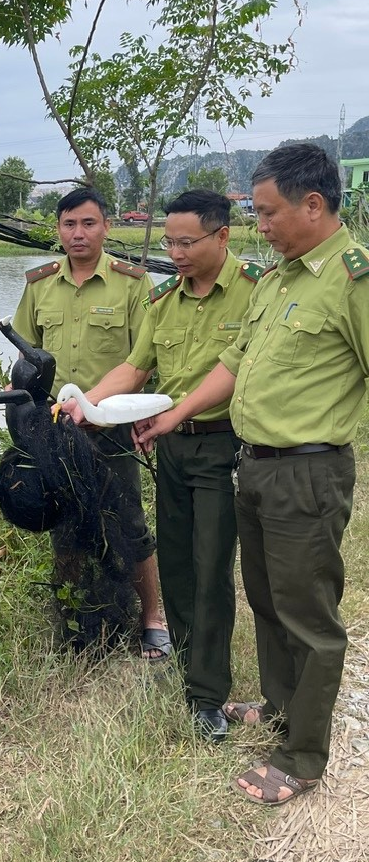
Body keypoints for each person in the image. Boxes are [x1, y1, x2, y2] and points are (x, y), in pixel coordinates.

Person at [137, 144, 369, 804]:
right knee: (266, 602)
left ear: (314, 204)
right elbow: (234, 363)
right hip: (256, 467)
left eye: (267, 213)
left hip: (308, 473)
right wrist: (173, 413)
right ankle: (277, 707)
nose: (259, 226)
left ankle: (301, 760)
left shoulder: (352, 279)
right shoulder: (278, 279)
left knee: (308, 617)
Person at [62, 191, 264, 739]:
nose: (173, 252)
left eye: (186, 242)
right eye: (169, 241)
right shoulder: (163, 301)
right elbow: (134, 367)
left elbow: (238, 369)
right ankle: (187, 671)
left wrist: (174, 415)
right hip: (170, 446)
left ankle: (208, 693)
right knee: (175, 563)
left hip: (226, 446)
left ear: (222, 237)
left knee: (212, 567)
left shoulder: (254, 292)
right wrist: (89, 404)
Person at [10, 186, 168, 659]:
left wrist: (141, 412)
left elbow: (147, 360)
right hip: (58, 433)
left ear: (106, 227)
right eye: (69, 224)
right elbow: (24, 360)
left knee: (130, 524)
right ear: (58, 230)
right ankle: (75, 616)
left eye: (88, 223)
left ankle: (152, 619)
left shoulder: (132, 283)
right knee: (66, 525)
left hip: (112, 426)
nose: (78, 233)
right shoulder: (39, 284)